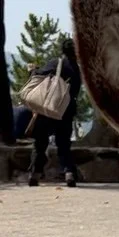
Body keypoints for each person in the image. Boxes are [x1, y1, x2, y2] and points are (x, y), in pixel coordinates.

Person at [27, 38, 82, 187]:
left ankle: (35, 174)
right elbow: (75, 91)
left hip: (47, 109)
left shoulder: (54, 63)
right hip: (66, 111)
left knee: (40, 143)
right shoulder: (76, 69)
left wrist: (32, 70)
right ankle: (69, 173)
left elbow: (37, 78)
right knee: (64, 145)